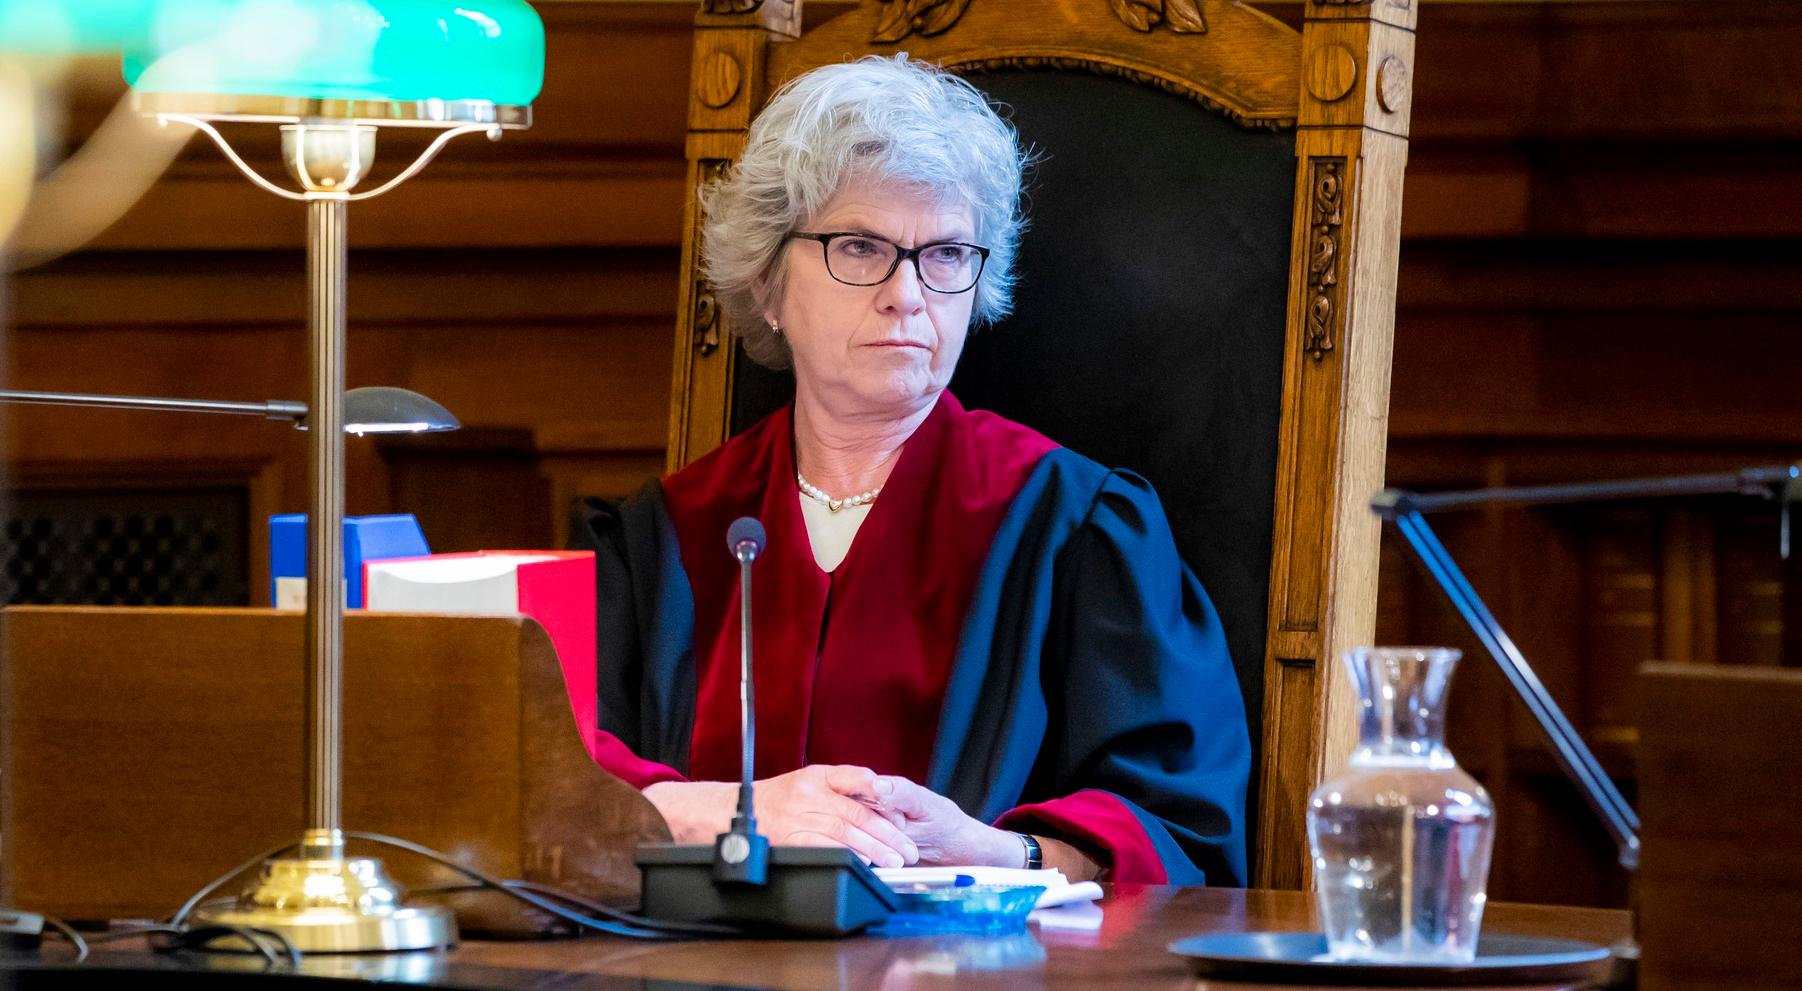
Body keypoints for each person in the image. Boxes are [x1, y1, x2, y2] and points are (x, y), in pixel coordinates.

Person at [572, 54, 1249, 885]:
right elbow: (548, 775)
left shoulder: (1074, 525)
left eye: (945, 253)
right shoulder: (663, 538)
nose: (907, 293)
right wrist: (728, 812)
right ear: (768, 284)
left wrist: (1002, 854)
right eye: (860, 247)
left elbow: (1181, 835)